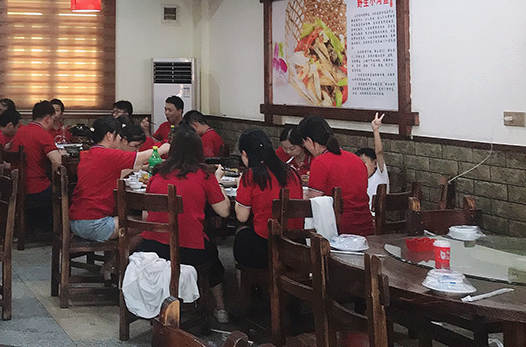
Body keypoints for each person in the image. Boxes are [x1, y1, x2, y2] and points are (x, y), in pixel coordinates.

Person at [137, 126, 231, 324]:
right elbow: (224, 211)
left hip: (154, 248)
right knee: (212, 255)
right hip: (189, 250)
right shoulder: (204, 175)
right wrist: (219, 182)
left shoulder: (157, 174)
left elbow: (146, 216)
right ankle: (221, 308)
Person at [69, 117, 170, 242]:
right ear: (109, 135)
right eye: (118, 135)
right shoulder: (108, 154)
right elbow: (140, 157)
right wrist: (162, 149)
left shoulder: (89, 153)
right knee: (146, 224)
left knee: (134, 221)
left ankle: (121, 253)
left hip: (76, 220)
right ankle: (123, 255)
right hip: (94, 224)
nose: (119, 139)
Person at [291, 116, 374, 236]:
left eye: (304, 144)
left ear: (309, 140)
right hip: (366, 226)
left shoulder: (320, 162)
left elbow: (314, 201)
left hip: (338, 231)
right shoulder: (356, 159)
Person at [232, 129, 304, 269]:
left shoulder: (250, 175)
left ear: (245, 154)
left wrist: (240, 186)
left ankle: (248, 282)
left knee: (242, 235)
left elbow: (241, 216)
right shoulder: (292, 172)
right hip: (295, 245)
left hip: (266, 246)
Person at [8, 100, 63, 233]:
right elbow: (57, 162)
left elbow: (8, 148)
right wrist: (61, 153)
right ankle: (59, 231)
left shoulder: (21, 131)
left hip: (17, 186)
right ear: (48, 118)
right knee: (68, 192)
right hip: (36, 188)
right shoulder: (42, 134)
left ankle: (36, 227)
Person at [358, 113, 389, 209]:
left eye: (364, 163)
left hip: (375, 216)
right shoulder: (358, 180)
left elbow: (379, 152)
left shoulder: (380, 174)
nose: (361, 167)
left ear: (375, 163)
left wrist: (376, 130)